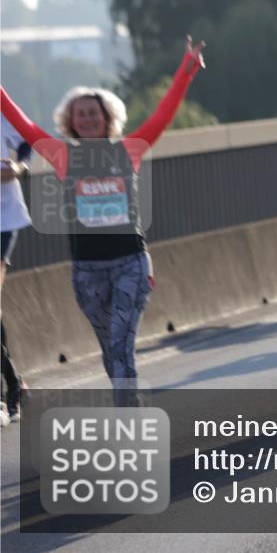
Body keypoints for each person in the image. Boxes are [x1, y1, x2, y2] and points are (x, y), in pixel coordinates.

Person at [0, 37, 205, 405]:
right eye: (81, 114)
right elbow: (22, 123)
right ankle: (130, 399)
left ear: (107, 118)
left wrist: (185, 72)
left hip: (131, 263)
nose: (89, 118)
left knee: (120, 342)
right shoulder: (61, 155)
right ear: (71, 122)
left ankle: (128, 414)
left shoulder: (130, 149)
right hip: (87, 270)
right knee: (110, 351)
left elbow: (162, 115)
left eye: (94, 112)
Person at [1, 114, 32, 424]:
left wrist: (19, 168)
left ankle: (3, 394)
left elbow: (27, 141)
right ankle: (13, 382)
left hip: (3, 219)